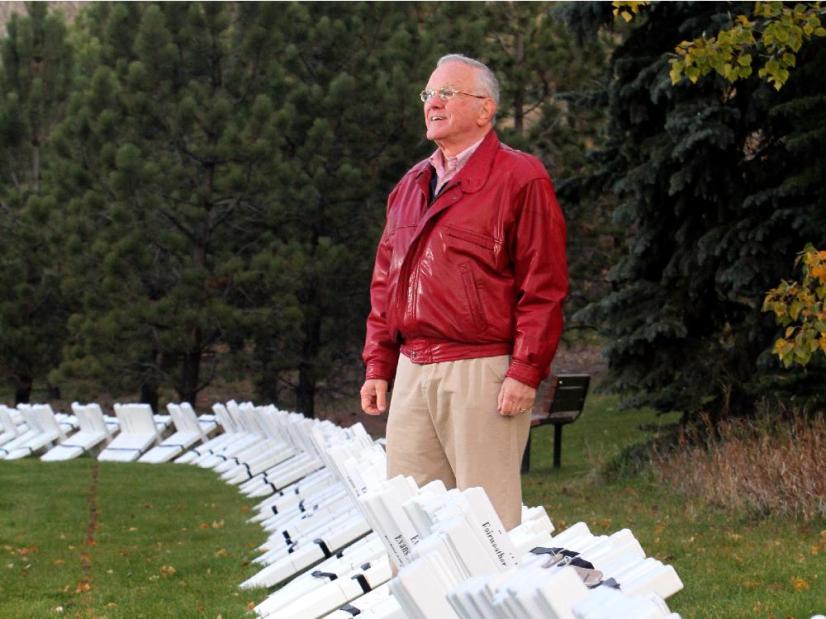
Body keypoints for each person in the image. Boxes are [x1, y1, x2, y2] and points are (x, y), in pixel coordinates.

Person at [360, 54, 568, 530]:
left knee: (486, 524)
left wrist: (524, 370)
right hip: (412, 370)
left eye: (446, 93)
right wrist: (378, 363)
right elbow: (385, 283)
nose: (432, 103)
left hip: (483, 370)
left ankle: (488, 605)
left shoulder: (521, 177)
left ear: (484, 109)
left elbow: (545, 286)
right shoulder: (410, 185)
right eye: (428, 94)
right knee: (408, 520)